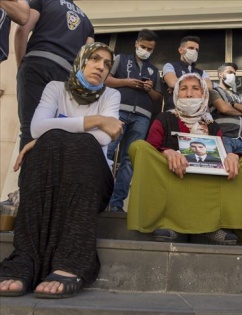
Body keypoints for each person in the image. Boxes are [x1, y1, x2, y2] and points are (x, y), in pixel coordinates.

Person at [0, 42, 122, 298]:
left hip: (92, 178)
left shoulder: (111, 95)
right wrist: (97, 119)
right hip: (50, 176)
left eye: (107, 64)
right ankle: (25, 260)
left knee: (79, 144)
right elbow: (36, 127)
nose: (101, 67)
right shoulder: (55, 88)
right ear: (81, 60)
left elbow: (102, 139)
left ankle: (71, 261)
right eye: (95, 59)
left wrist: (52, 132)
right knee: (45, 148)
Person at [126, 73, 242, 246]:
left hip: (207, 181)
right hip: (173, 178)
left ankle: (213, 225)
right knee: (139, 147)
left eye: (195, 89)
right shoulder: (164, 118)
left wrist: (233, 155)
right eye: (184, 89)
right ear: (176, 93)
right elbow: (150, 148)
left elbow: (220, 155)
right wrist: (166, 152)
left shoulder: (212, 125)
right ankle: (168, 223)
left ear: (204, 95)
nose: (189, 94)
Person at [15, 0, 94, 151]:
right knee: (55, 130)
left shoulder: (43, 1)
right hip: (65, 75)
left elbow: (21, 31)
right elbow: (85, 63)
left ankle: (28, 173)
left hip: (37, 64)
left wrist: (21, 66)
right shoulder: (87, 23)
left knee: (30, 127)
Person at [105, 29, 162, 213]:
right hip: (118, 111)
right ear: (136, 43)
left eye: (150, 48)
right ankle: (100, 197)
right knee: (107, 152)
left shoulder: (154, 70)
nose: (146, 50)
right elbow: (106, 79)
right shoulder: (121, 59)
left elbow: (157, 97)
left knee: (129, 160)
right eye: (143, 46)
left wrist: (148, 88)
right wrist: (127, 82)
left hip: (142, 116)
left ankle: (116, 203)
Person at [211, 62, 242, 155]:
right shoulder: (214, 91)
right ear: (220, 74)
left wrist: (233, 104)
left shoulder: (239, 96)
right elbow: (224, 108)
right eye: (230, 72)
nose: (233, 76)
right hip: (224, 137)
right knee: (227, 167)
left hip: (241, 140)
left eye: (234, 74)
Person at [162, 35, 212, 111]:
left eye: (197, 50)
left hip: (196, 114)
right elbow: (172, 83)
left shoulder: (201, 72)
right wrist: (197, 86)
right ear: (180, 50)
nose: (194, 51)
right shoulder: (170, 66)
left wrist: (178, 85)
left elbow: (209, 86)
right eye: (191, 48)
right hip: (174, 111)